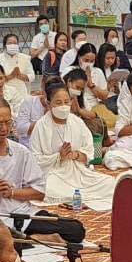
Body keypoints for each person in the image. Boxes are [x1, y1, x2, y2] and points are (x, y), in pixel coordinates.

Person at [0, 95, 86, 242]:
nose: (4, 128)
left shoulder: (21, 151)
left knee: (75, 229)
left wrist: (12, 193)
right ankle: (34, 240)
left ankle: (26, 240)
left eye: (8, 122)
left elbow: (39, 192)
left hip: (22, 216)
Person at [30, 80, 116, 209]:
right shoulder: (41, 126)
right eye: (58, 103)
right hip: (55, 173)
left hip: (78, 172)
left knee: (110, 182)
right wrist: (59, 157)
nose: (63, 106)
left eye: (66, 102)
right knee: (48, 188)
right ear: (49, 104)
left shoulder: (77, 122)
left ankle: (76, 197)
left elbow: (89, 151)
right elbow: (35, 159)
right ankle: (75, 197)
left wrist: (75, 155)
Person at [0, 32, 35, 108]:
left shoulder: (25, 58)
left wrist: (20, 75)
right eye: (10, 43)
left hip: (21, 91)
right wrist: (11, 76)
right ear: (5, 45)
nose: (12, 45)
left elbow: (32, 76)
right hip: (5, 92)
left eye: (15, 43)